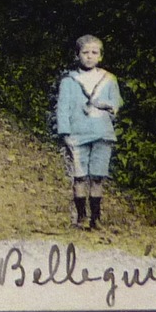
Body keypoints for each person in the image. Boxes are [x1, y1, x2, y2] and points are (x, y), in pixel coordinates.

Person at [54, 34, 122, 230]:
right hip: (77, 134)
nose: (90, 56)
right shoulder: (69, 81)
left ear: (101, 56)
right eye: (85, 52)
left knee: (98, 175)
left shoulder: (109, 79)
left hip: (103, 133)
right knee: (80, 176)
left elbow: (116, 104)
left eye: (94, 52)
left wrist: (107, 105)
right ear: (77, 55)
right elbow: (63, 108)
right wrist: (65, 133)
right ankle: (81, 216)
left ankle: (96, 218)